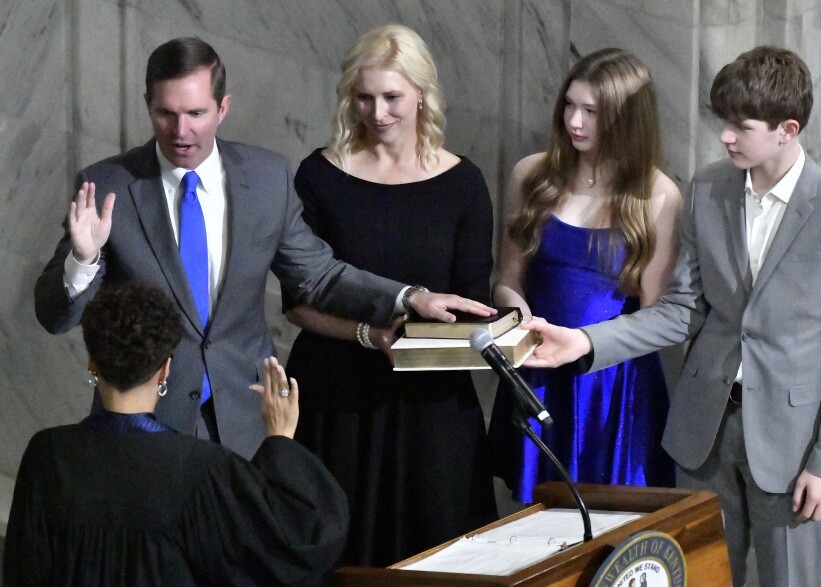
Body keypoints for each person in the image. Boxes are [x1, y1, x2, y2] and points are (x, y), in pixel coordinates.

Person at [32, 36, 493, 460]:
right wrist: (83, 259)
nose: (180, 131)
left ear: (223, 107)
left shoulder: (267, 177)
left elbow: (318, 274)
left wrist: (410, 297)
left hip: (246, 423)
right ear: (147, 106)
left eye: (196, 113)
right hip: (143, 425)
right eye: (165, 114)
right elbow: (54, 316)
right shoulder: (107, 184)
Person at [520, 46, 821, 586]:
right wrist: (585, 343)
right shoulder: (708, 188)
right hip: (702, 434)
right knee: (702, 578)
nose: (725, 136)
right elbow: (681, 310)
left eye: (741, 126)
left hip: (792, 446)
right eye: (723, 122)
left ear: (788, 128)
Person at [282, 24, 497, 566]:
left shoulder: (464, 183)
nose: (377, 113)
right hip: (337, 398)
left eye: (392, 97)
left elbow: (474, 298)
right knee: (338, 554)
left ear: (422, 93)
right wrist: (368, 334)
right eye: (364, 97)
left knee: (441, 558)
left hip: (433, 408)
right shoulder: (319, 175)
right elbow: (299, 300)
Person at [4, 283, 348, 586]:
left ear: (92, 360)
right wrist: (280, 440)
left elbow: (24, 571)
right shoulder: (202, 468)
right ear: (166, 367)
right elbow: (297, 546)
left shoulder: (48, 455)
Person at [489, 48, 681, 503]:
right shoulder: (531, 175)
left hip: (613, 386)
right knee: (535, 525)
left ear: (627, 118)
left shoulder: (658, 196)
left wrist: (584, 344)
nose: (575, 121)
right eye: (570, 106)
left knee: (614, 529)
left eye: (592, 112)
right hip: (536, 369)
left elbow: (658, 320)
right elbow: (508, 278)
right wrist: (521, 327)